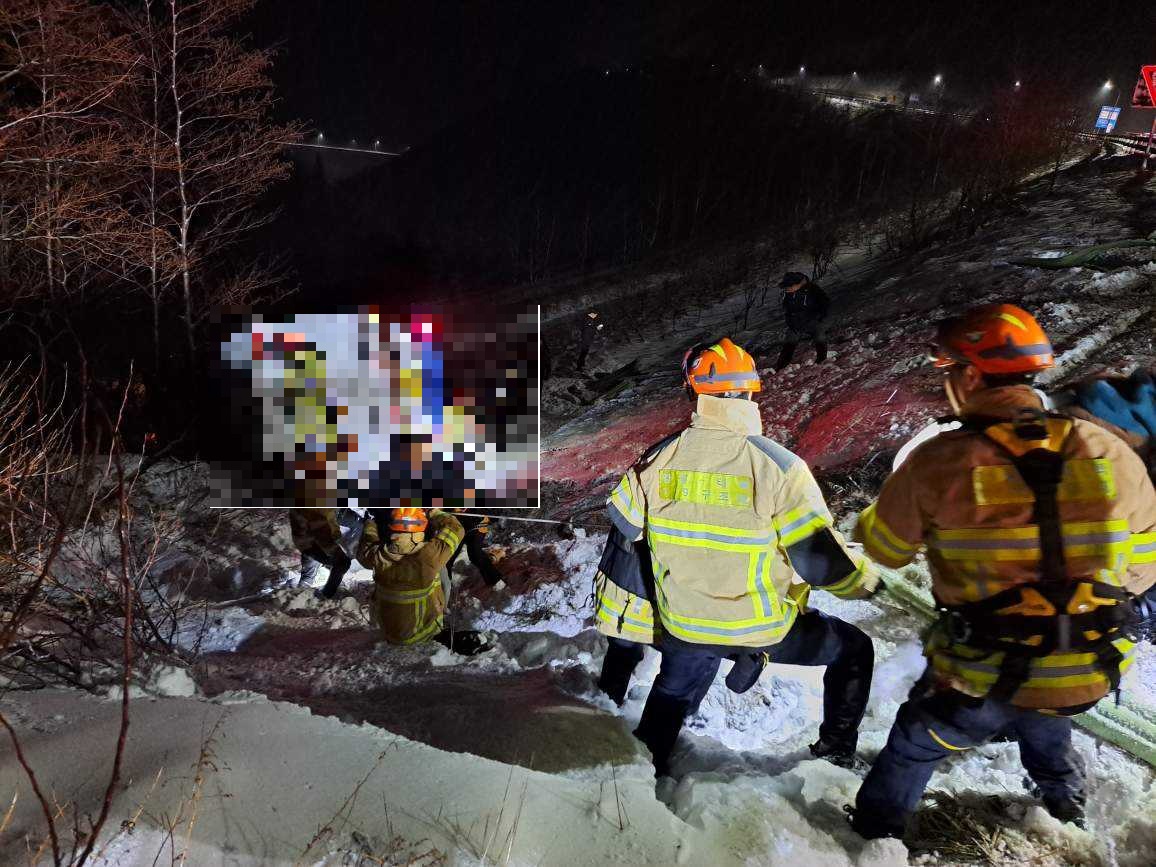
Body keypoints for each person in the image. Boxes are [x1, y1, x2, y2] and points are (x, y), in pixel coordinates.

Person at [849, 304, 1156, 839]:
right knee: (1044, 708)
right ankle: (1065, 806)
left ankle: (873, 837)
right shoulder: (1108, 450)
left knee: (915, 741)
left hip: (981, 673)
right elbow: (1143, 569)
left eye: (949, 371)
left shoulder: (940, 460)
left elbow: (886, 549)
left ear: (970, 375)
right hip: (1088, 665)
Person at [608, 337, 879, 775]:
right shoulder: (780, 467)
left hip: (684, 623)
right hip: (759, 629)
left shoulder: (657, 458)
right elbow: (821, 563)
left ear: (693, 391)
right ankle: (836, 754)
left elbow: (625, 524)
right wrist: (868, 582)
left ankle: (645, 773)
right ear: (751, 391)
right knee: (855, 650)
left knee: (672, 691)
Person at [358, 507, 491, 655]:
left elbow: (367, 542)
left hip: (390, 633)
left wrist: (369, 523)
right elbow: (456, 529)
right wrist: (433, 512)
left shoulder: (377, 555)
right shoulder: (428, 556)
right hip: (420, 634)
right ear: (419, 528)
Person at [289, 508, 353, 599]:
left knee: (310, 570)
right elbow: (320, 529)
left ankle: (301, 590)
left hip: (306, 541)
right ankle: (325, 596)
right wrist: (335, 549)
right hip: (313, 542)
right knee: (343, 562)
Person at [774, 272, 830, 370]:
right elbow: (788, 309)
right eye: (786, 286)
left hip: (812, 321)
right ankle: (781, 366)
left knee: (819, 336)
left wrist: (819, 317)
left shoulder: (812, 290)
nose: (787, 288)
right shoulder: (788, 294)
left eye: (789, 286)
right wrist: (790, 321)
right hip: (796, 323)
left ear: (798, 284)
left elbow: (825, 303)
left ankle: (822, 360)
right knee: (790, 341)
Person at [447, 511, 504, 586]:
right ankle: (444, 585)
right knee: (448, 556)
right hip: (456, 526)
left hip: (476, 526)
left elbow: (494, 511)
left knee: (475, 553)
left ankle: (496, 580)